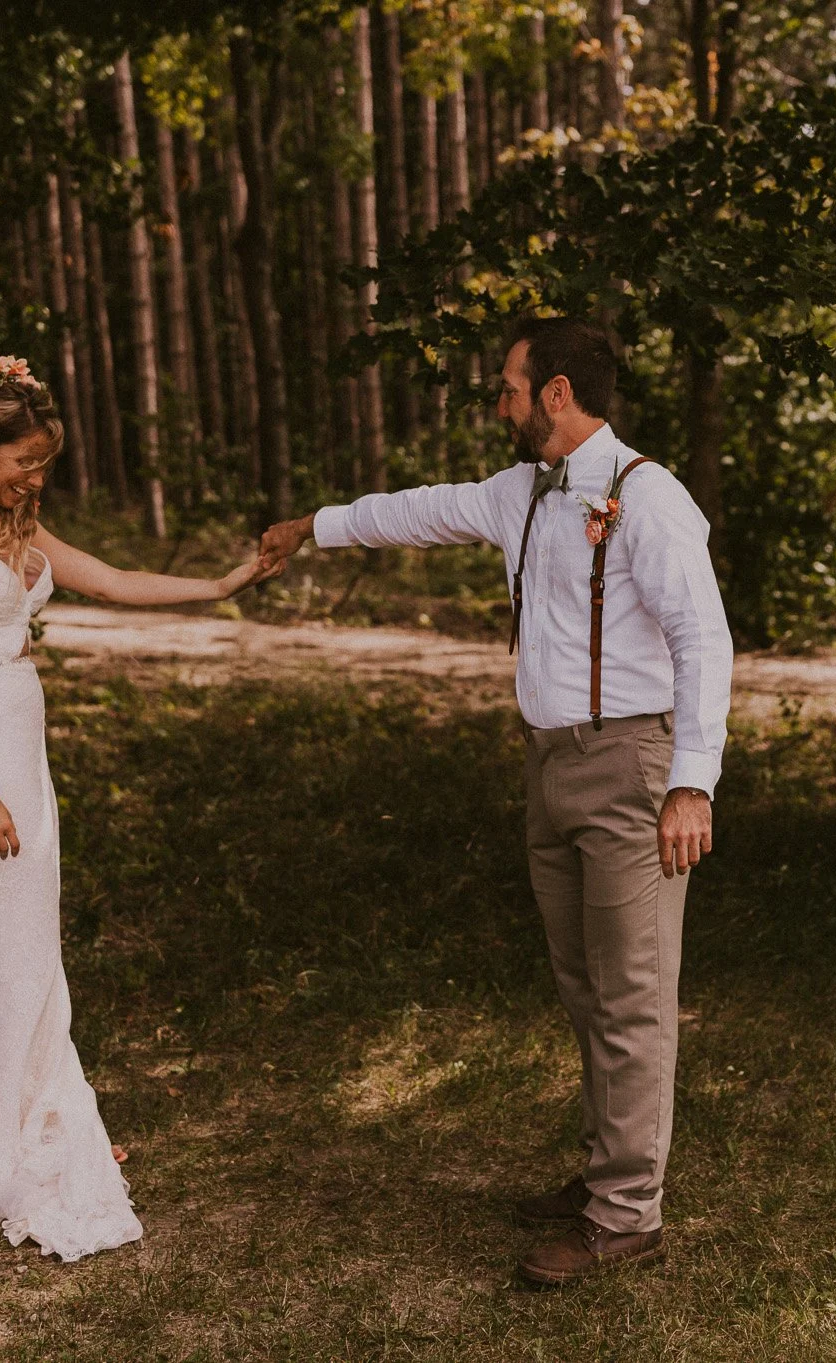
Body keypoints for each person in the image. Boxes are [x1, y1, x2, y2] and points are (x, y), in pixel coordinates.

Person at [259, 317, 734, 1286]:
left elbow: (703, 641)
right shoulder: (514, 493)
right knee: (584, 989)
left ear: (555, 393)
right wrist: (312, 525)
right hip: (549, 768)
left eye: (507, 388)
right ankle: (608, 1174)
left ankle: (626, 1217)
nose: (498, 402)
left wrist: (690, 781)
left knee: (632, 998)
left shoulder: (649, 497)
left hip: (634, 770)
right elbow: (412, 510)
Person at [0, 354, 275, 1262]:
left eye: (45, 461)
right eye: (25, 461)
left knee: (29, 948)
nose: (36, 477)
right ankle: (4, 1146)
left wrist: (220, 586)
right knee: (4, 950)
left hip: (21, 739)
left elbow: (114, 577)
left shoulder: (12, 526)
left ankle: (39, 1115)